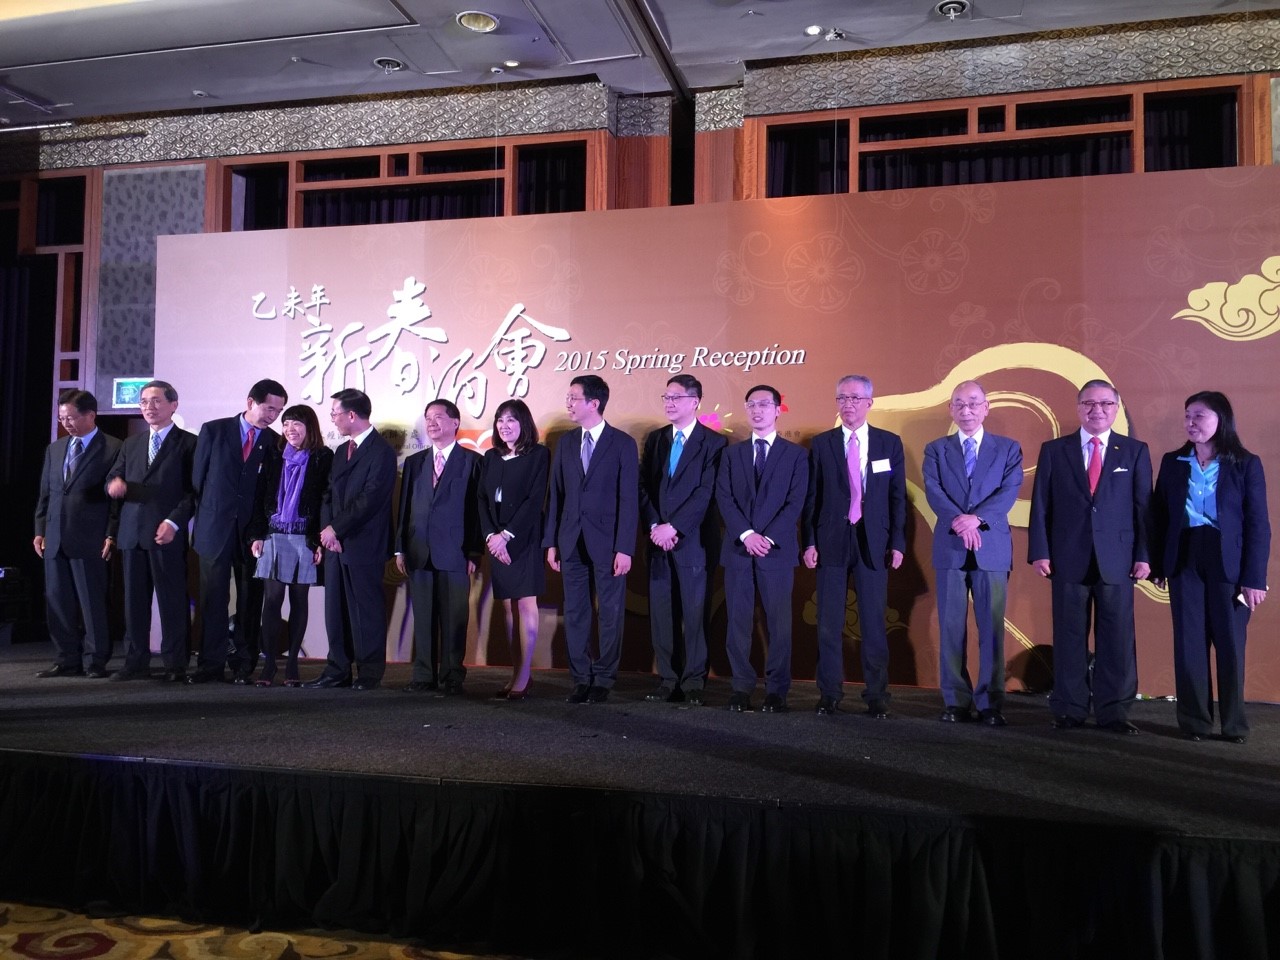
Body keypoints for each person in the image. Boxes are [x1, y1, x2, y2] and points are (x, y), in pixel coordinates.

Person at [1028, 379, 1152, 734]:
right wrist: (1040, 551)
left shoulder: (1134, 451)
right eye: (1089, 404)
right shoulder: (1055, 450)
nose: (1097, 410)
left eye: (1105, 404)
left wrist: (1144, 555)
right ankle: (1070, 707)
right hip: (1067, 556)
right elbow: (1041, 505)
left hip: (1119, 559)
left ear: (1116, 408)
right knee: (1069, 636)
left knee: (1117, 639)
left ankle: (1115, 711)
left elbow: (1144, 509)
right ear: (1078, 407)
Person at [1149, 391, 1269, 743]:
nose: (1191, 422)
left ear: (1221, 419)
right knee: (1189, 642)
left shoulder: (1245, 463)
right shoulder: (1173, 461)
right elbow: (1159, 516)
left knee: (1230, 643)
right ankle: (1194, 722)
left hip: (1227, 560)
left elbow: (1258, 524)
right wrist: (1157, 564)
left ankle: (1234, 725)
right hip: (1184, 555)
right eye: (1188, 415)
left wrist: (1254, 578)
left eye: (1199, 415)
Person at [802, 375, 906, 719]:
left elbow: (897, 498)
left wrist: (897, 542)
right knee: (829, 623)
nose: (848, 404)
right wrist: (809, 541)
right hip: (831, 539)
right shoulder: (822, 444)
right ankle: (829, 693)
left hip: (874, 541)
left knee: (874, 623)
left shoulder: (889, 443)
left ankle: (877, 694)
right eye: (842, 398)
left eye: (855, 398)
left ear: (869, 403)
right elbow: (812, 498)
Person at [922, 380, 1024, 726]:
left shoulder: (1008, 449)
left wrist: (975, 519)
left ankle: (991, 702)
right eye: (959, 404)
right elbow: (934, 491)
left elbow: (1008, 491)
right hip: (951, 547)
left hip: (990, 547)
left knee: (991, 628)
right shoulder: (936, 449)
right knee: (951, 627)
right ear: (950, 409)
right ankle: (955, 701)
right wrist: (959, 521)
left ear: (986, 407)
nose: (966, 411)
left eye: (973, 403)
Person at [543, 375, 638, 704]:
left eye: (574, 398)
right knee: (576, 613)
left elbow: (629, 500)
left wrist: (625, 547)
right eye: (567, 397)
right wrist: (551, 542)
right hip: (570, 541)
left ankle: (604, 678)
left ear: (594, 403)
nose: (568, 403)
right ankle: (581, 678)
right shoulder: (566, 443)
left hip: (609, 544)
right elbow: (556, 494)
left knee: (610, 613)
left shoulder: (622, 443)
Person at [189, 378, 287, 684]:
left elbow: (271, 493)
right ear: (250, 402)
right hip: (214, 529)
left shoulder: (275, 442)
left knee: (249, 600)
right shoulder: (214, 431)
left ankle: (244, 665)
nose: (273, 415)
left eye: (278, 411)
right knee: (212, 599)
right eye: (269, 408)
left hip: (251, 534)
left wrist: (261, 531)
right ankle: (210, 665)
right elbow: (197, 481)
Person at [717, 384, 807, 713]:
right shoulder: (731, 454)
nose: (757, 410)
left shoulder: (796, 455)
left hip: (776, 550)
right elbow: (724, 497)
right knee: (738, 622)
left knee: (779, 624)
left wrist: (766, 537)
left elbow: (796, 502)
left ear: (778, 410)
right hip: (739, 549)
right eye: (752, 404)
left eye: (764, 404)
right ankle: (741, 687)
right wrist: (746, 534)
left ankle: (777, 690)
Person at [638, 374, 726, 705]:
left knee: (695, 613)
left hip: (694, 541)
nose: (669, 403)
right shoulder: (656, 439)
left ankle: (693, 681)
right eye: (666, 397)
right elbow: (643, 486)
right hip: (657, 540)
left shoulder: (714, 443)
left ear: (695, 402)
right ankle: (668, 678)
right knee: (662, 613)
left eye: (676, 397)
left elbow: (706, 492)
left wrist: (674, 527)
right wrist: (655, 525)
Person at [305, 388, 397, 691]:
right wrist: (326, 532)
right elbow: (328, 494)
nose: (332, 419)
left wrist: (337, 529)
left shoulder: (381, 452)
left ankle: (369, 673)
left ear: (352, 415)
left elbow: (370, 499)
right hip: (334, 544)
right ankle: (337, 670)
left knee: (365, 610)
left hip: (363, 543)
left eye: (335, 413)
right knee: (336, 610)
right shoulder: (341, 450)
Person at [105, 380, 197, 682]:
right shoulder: (131, 444)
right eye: (144, 402)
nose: (149, 407)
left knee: (172, 601)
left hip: (166, 532)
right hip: (132, 533)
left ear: (173, 405)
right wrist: (113, 484)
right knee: (134, 603)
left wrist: (174, 523)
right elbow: (114, 477)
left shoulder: (189, 443)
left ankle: (175, 664)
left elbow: (194, 492)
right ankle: (135, 662)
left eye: (156, 401)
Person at [395, 399, 482, 696]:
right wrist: (400, 548)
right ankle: (423, 674)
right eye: (428, 418)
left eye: (438, 417)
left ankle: (453, 675)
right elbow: (404, 508)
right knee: (423, 617)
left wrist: (474, 551)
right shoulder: (415, 462)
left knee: (455, 617)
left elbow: (476, 512)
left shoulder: (472, 461)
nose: (431, 423)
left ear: (455, 423)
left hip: (456, 551)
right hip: (418, 550)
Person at [32, 389, 121, 678]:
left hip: (91, 538)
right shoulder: (55, 449)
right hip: (55, 537)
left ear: (90, 415)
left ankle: (95, 660)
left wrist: (111, 534)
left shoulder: (113, 447)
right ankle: (66, 658)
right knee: (57, 601)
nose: (66, 423)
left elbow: (116, 502)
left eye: (71, 417)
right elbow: (46, 495)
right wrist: (40, 530)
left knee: (92, 602)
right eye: (62, 418)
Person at [247, 404, 333, 687]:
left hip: (304, 537)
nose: (289, 429)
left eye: (296, 423)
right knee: (271, 601)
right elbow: (259, 496)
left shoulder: (323, 457)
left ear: (310, 427)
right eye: (285, 424)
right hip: (274, 535)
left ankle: (293, 661)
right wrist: (256, 534)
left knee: (299, 600)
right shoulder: (273, 455)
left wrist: (318, 540)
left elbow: (326, 501)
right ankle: (269, 663)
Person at [478, 399, 549, 700]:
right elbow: (482, 499)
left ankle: (523, 676)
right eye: (500, 420)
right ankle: (517, 672)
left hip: (524, 539)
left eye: (511, 420)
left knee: (526, 604)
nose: (504, 426)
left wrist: (507, 536)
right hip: (496, 542)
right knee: (508, 607)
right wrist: (491, 537)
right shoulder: (490, 457)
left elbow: (535, 500)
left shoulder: (539, 455)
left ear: (524, 423)